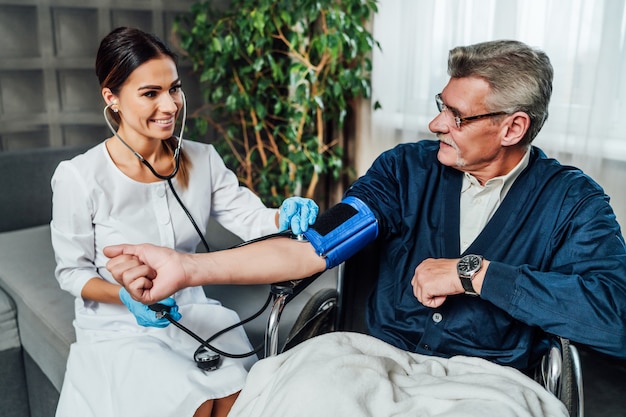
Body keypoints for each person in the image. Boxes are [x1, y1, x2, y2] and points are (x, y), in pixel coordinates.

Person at [105, 40, 626, 416]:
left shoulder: (572, 202)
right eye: (440, 107)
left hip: (486, 383)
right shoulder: (407, 169)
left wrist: (476, 273)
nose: (436, 124)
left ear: (514, 126)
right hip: (369, 358)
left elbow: (614, 316)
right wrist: (188, 267)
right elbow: (313, 250)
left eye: (457, 116)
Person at [51, 27, 318, 417]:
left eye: (174, 89)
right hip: (119, 326)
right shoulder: (78, 177)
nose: (171, 105)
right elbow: (70, 273)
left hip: (195, 312)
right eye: (150, 93)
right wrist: (126, 297)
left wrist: (284, 214)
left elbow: (249, 217)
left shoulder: (202, 158)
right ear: (112, 99)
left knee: (237, 403)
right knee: (192, 404)